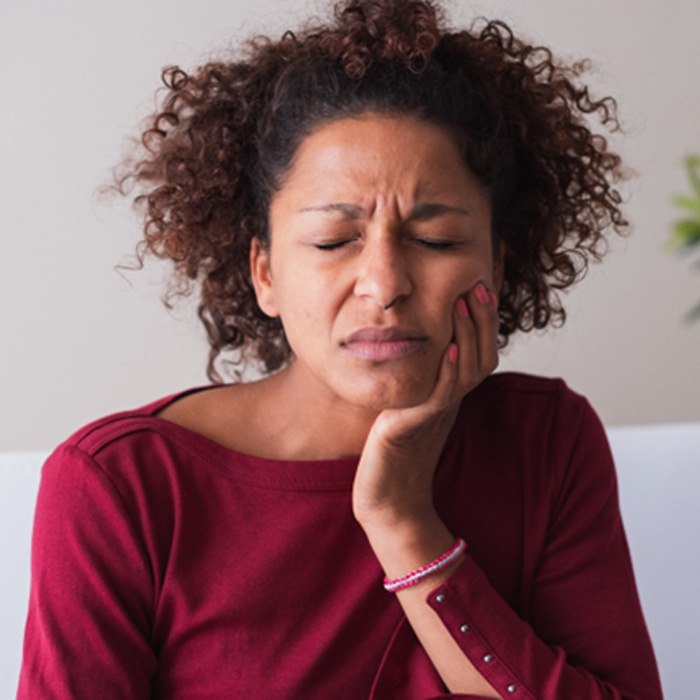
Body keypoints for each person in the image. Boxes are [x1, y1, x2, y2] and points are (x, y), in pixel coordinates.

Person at [18, 1, 663, 698]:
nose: (384, 285)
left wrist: (403, 519)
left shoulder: (545, 442)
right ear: (264, 272)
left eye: (437, 240)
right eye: (333, 241)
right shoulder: (123, 488)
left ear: (497, 270)